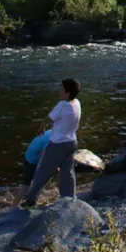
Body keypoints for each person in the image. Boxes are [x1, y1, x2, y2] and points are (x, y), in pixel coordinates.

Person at [20, 79, 81, 209]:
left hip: (58, 144)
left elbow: (48, 118)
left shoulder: (63, 105)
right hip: (72, 141)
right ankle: (69, 198)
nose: (59, 91)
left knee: (43, 171)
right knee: (67, 171)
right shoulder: (76, 103)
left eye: (61, 89)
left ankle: (31, 200)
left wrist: (41, 127)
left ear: (67, 93)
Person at [11, 128, 51, 208]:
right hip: (32, 160)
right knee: (27, 184)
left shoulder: (53, 132)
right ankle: (14, 206)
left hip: (29, 156)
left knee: (30, 182)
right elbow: (42, 155)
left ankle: (30, 199)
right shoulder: (52, 138)